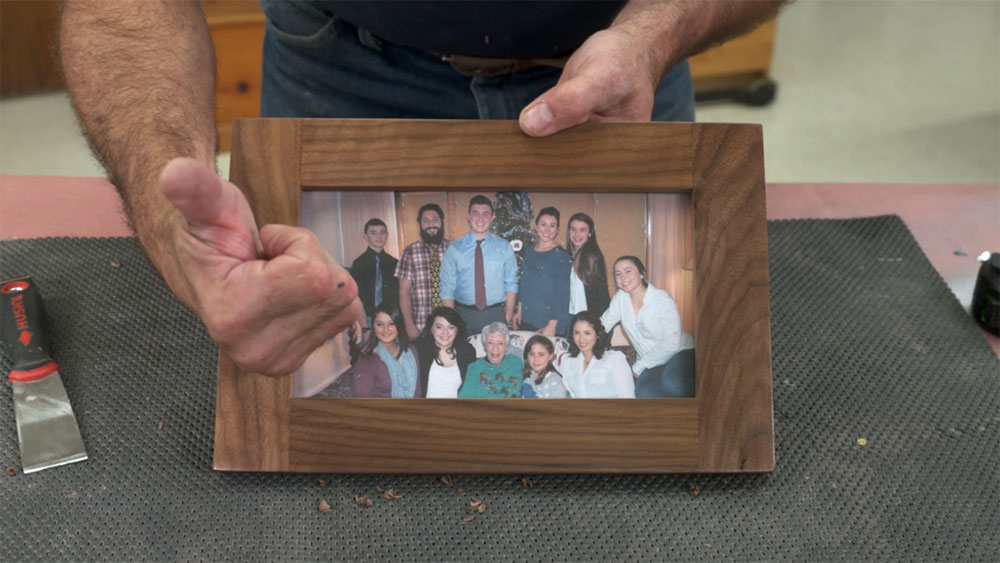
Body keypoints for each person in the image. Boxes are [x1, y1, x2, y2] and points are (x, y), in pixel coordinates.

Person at [59, 0, 784, 376]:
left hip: (625, 71)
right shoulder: (415, 265)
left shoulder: (545, 261)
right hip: (339, 65)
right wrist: (169, 224)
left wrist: (656, 34)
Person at [601, 255, 694, 398]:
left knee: (674, 383)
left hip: (679, 352)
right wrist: (581, 336)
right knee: (643, 392)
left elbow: (671, 344)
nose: (622, 277)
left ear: (642, 273)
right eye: (617, 273)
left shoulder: (662, 300)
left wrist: (639, 366)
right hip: (651, 360)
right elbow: (603, 324)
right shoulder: (620, 298)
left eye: (628, 271)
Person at [440, 196, 518, 335]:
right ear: (468, 216)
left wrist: (507, 316)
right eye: (476, 213)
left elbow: (511, 283)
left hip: (495, 314)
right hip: (462, 315)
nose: (480, 219)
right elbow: (447, 288)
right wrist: (450, 322)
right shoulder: (455, 249)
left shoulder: (504, 247)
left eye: (485, 214)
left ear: (492, 217)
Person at [514, 207, 572, 337]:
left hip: (548, 322)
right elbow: (524, 284)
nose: (547, 229)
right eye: (543, 224)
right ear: (536, 226)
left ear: (557, 230)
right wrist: (519, 310)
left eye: (552, 226)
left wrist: (552, 325)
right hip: (528, 317)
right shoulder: (529, 251)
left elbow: (562, 294)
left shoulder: (561, 256)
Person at [396, 203, 451, 340]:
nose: (430, 224)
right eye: (425, 220)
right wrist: (409, 325)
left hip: (450, 326)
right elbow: (404, 292)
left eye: (435, 219)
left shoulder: (454, 250)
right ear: (420, 224)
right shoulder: (410, 252)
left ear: (442, 222)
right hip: (421, 326)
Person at [349, 303, 420, 398]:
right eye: (380, 324)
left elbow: (417, 390)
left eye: (391, 324)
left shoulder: (411, 351)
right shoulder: (368, 361)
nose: (385, 329)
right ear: (373, 327)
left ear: (399, 325)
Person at [557, 311, 634, 398]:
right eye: (577, 333)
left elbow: (627, 397)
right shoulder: (567, 362)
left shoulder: (615, 359)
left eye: (587, 333)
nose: (581, 339)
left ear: (597, 334)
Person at [413, 307, 476, 398]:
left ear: (457, 330)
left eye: (451, 327)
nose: (445, 332)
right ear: (431, 329)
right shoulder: (418, 351)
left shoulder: (467, 352)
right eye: (439, 327)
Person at [350, 218, 398, 330]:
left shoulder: (395, 263)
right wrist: (364, 327)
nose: (379, 236)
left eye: (383, 232)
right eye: (373, 233)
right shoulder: (359, 264)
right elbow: (356, 298)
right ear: (365, 236)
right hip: (367, 320)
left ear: (387, 235)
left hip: (391, 319)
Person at [458, 322, 524, 398]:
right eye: (490, 343)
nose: (495, 348)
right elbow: (465, 398)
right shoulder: (474, 368)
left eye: (500, 343)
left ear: (506, 347)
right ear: (484, 346)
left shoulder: (516, 363)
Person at [566, 213, 611, 317]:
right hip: (571, 317)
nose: (577, 234)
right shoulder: (566, 257)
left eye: (582, 230)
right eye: (573, 229)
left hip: (589, 318)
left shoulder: (593, 257)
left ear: (590, 233)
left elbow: (601, 294)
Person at [521, 335, 569, 399]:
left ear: (550, 356)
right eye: (532, 354)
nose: (536, 359)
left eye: (541, 355)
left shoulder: (555, 381)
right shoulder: (526, 376)